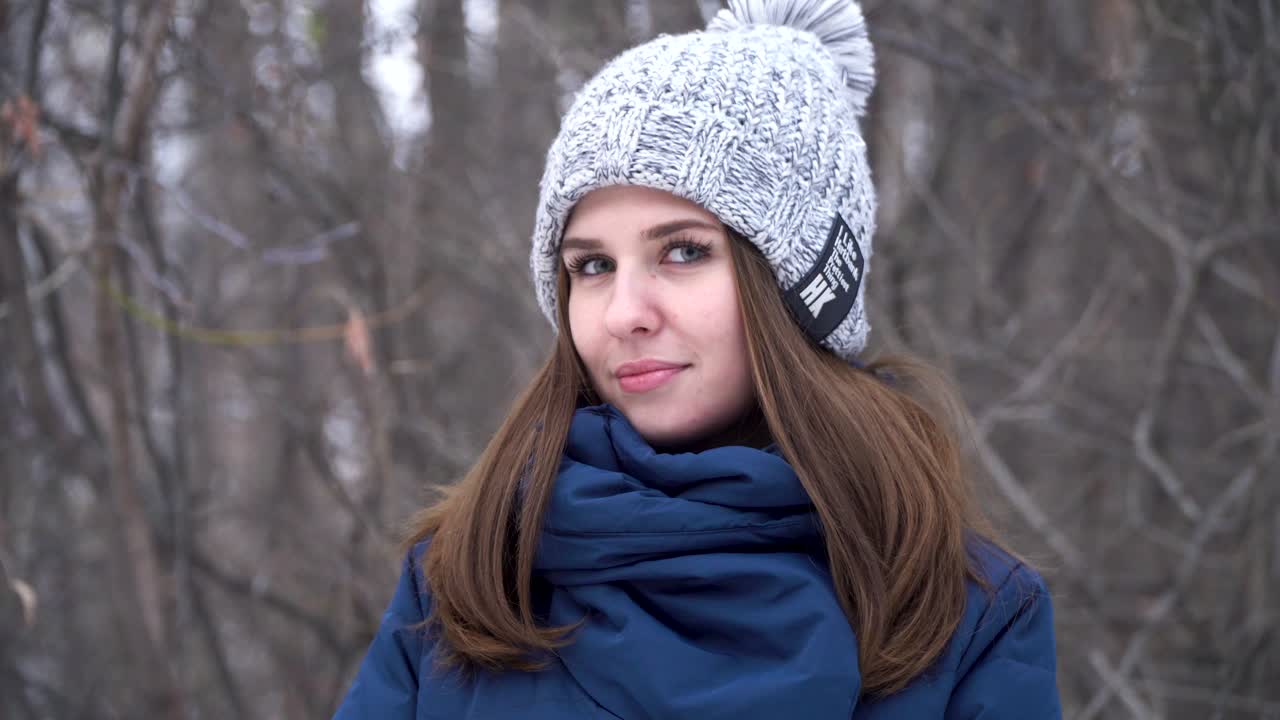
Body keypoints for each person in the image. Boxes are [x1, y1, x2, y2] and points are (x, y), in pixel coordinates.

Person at [334, 0, 1061, 717]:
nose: (624, 314)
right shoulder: (465, 577)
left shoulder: (963, 613)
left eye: (683, 252)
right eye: (591, 266)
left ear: (801, 286)